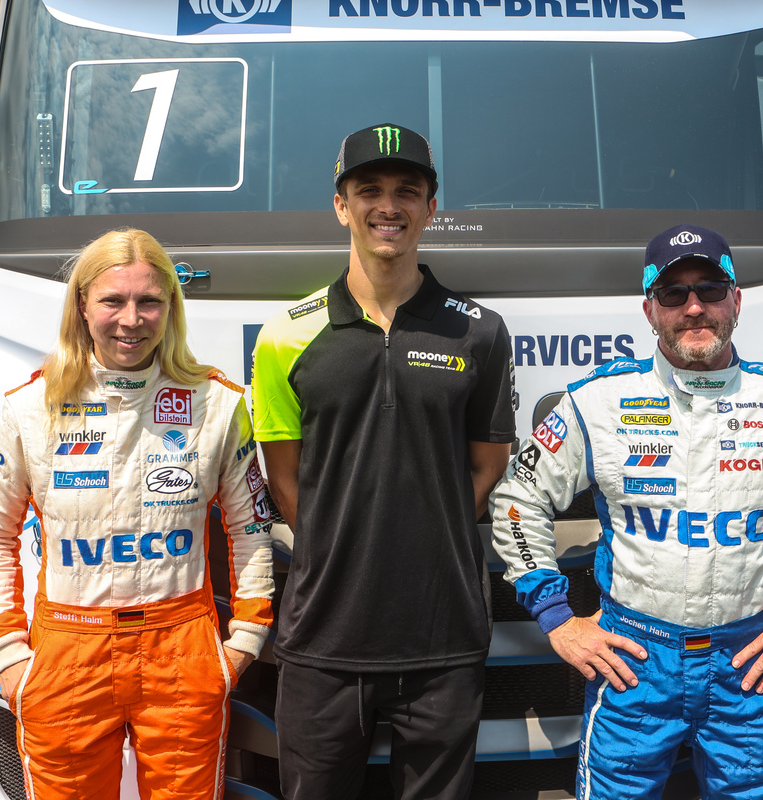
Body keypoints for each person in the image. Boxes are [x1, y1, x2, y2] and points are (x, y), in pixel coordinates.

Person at [489, 224, 763, 799]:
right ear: (649, 310)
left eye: (710, 289)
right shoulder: (597, 402)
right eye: (672, 293)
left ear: (736, 300)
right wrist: (557, 617)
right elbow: (518, 498)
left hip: (750, 664)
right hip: (633, 661)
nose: (693, 307)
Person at [250, 123, 515, 800]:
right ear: (342, 206)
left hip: (444, 638)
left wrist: (425, 538)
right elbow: (285, 478)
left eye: (407, 191)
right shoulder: (284, 335)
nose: (387, 206)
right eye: (368, 190)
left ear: (431, 208)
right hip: (323, 639)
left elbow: (486, 467)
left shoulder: (479, 330)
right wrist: (342, 546)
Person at [0, 229, 275, 800]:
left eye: (149, 301)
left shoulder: (217, 404)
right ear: (82, 306)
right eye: (113, 300)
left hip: (182, 650)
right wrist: (8, 656)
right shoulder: (31, 407)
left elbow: (252, 530)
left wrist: (245, 642)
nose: (131, 320)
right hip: (67, 653)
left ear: (171, 307)